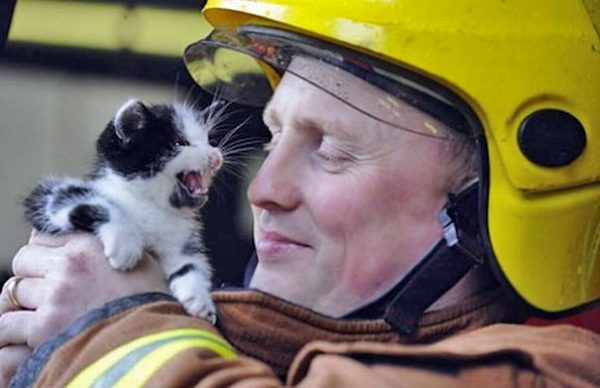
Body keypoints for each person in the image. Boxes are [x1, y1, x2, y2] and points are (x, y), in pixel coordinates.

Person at [2, 1, 600, 386]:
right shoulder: (218, 349)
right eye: (274, 137)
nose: (263, 189)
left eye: (333, 148)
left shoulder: (550, 373)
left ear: (481, 201)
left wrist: (108, 334)